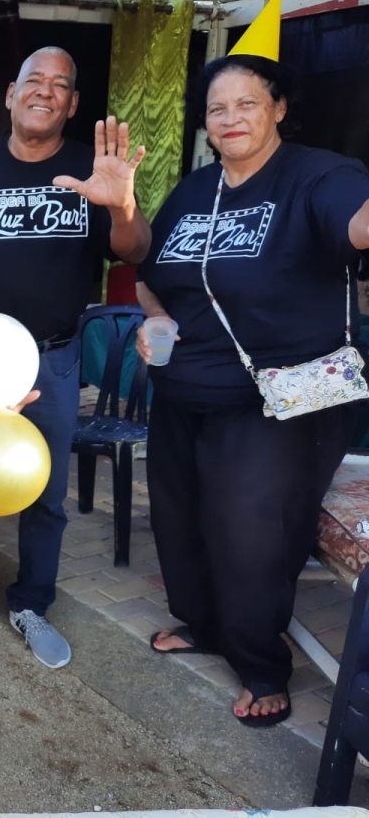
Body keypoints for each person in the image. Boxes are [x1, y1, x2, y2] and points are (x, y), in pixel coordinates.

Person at [138, 45, 369, 726]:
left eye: (247, 102)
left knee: (250, 531)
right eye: (218, 107)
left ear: (279, 108)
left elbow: (357, 227)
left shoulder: (320, 175)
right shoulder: (193, 189)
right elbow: (152, 270)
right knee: (180, 521)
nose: (231, 117)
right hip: (187, 389)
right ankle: (205, 625)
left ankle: (263, 665)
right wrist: (156, 322)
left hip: (284, 396)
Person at [0, 47, 151, 670]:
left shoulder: (90, 169)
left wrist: (121, 206)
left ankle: (32, 604)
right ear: (10, 94)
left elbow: (134, 252)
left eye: (60, 85)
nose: (45, 91)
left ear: (73, 104)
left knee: (44, 493)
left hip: (53, 359)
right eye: (33, 80)